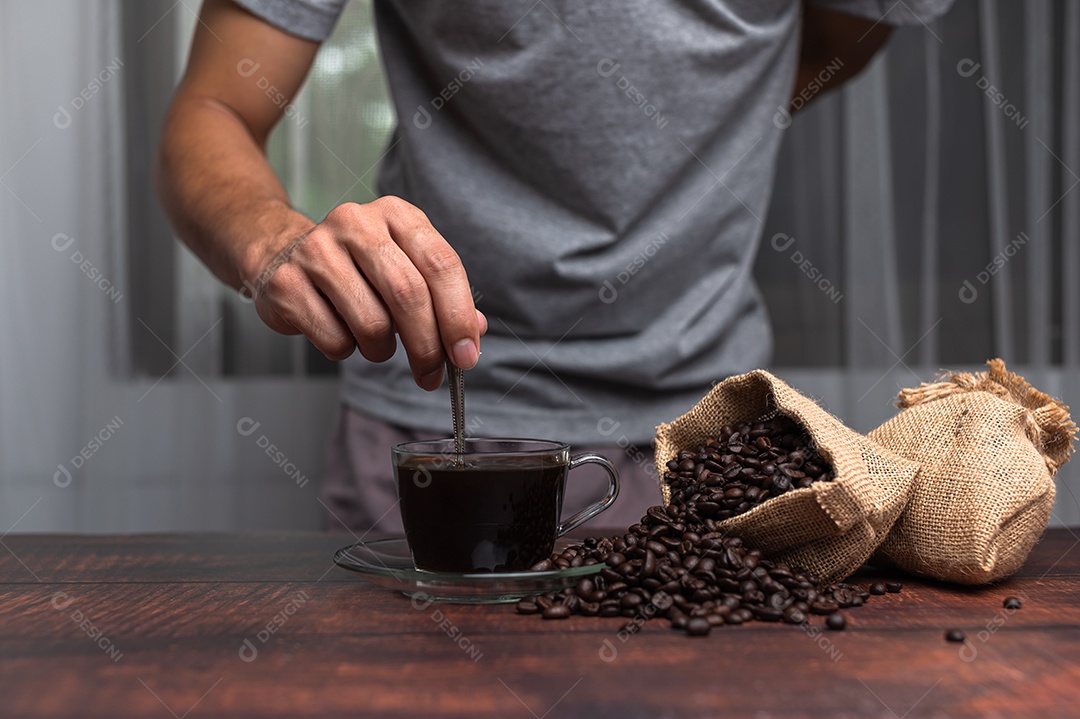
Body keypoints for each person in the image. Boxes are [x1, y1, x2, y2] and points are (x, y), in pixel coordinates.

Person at [156, 0, 953, 532]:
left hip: (712, 445)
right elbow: (214, 107)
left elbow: (829, 45)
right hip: (435, 442)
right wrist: (272, 240)